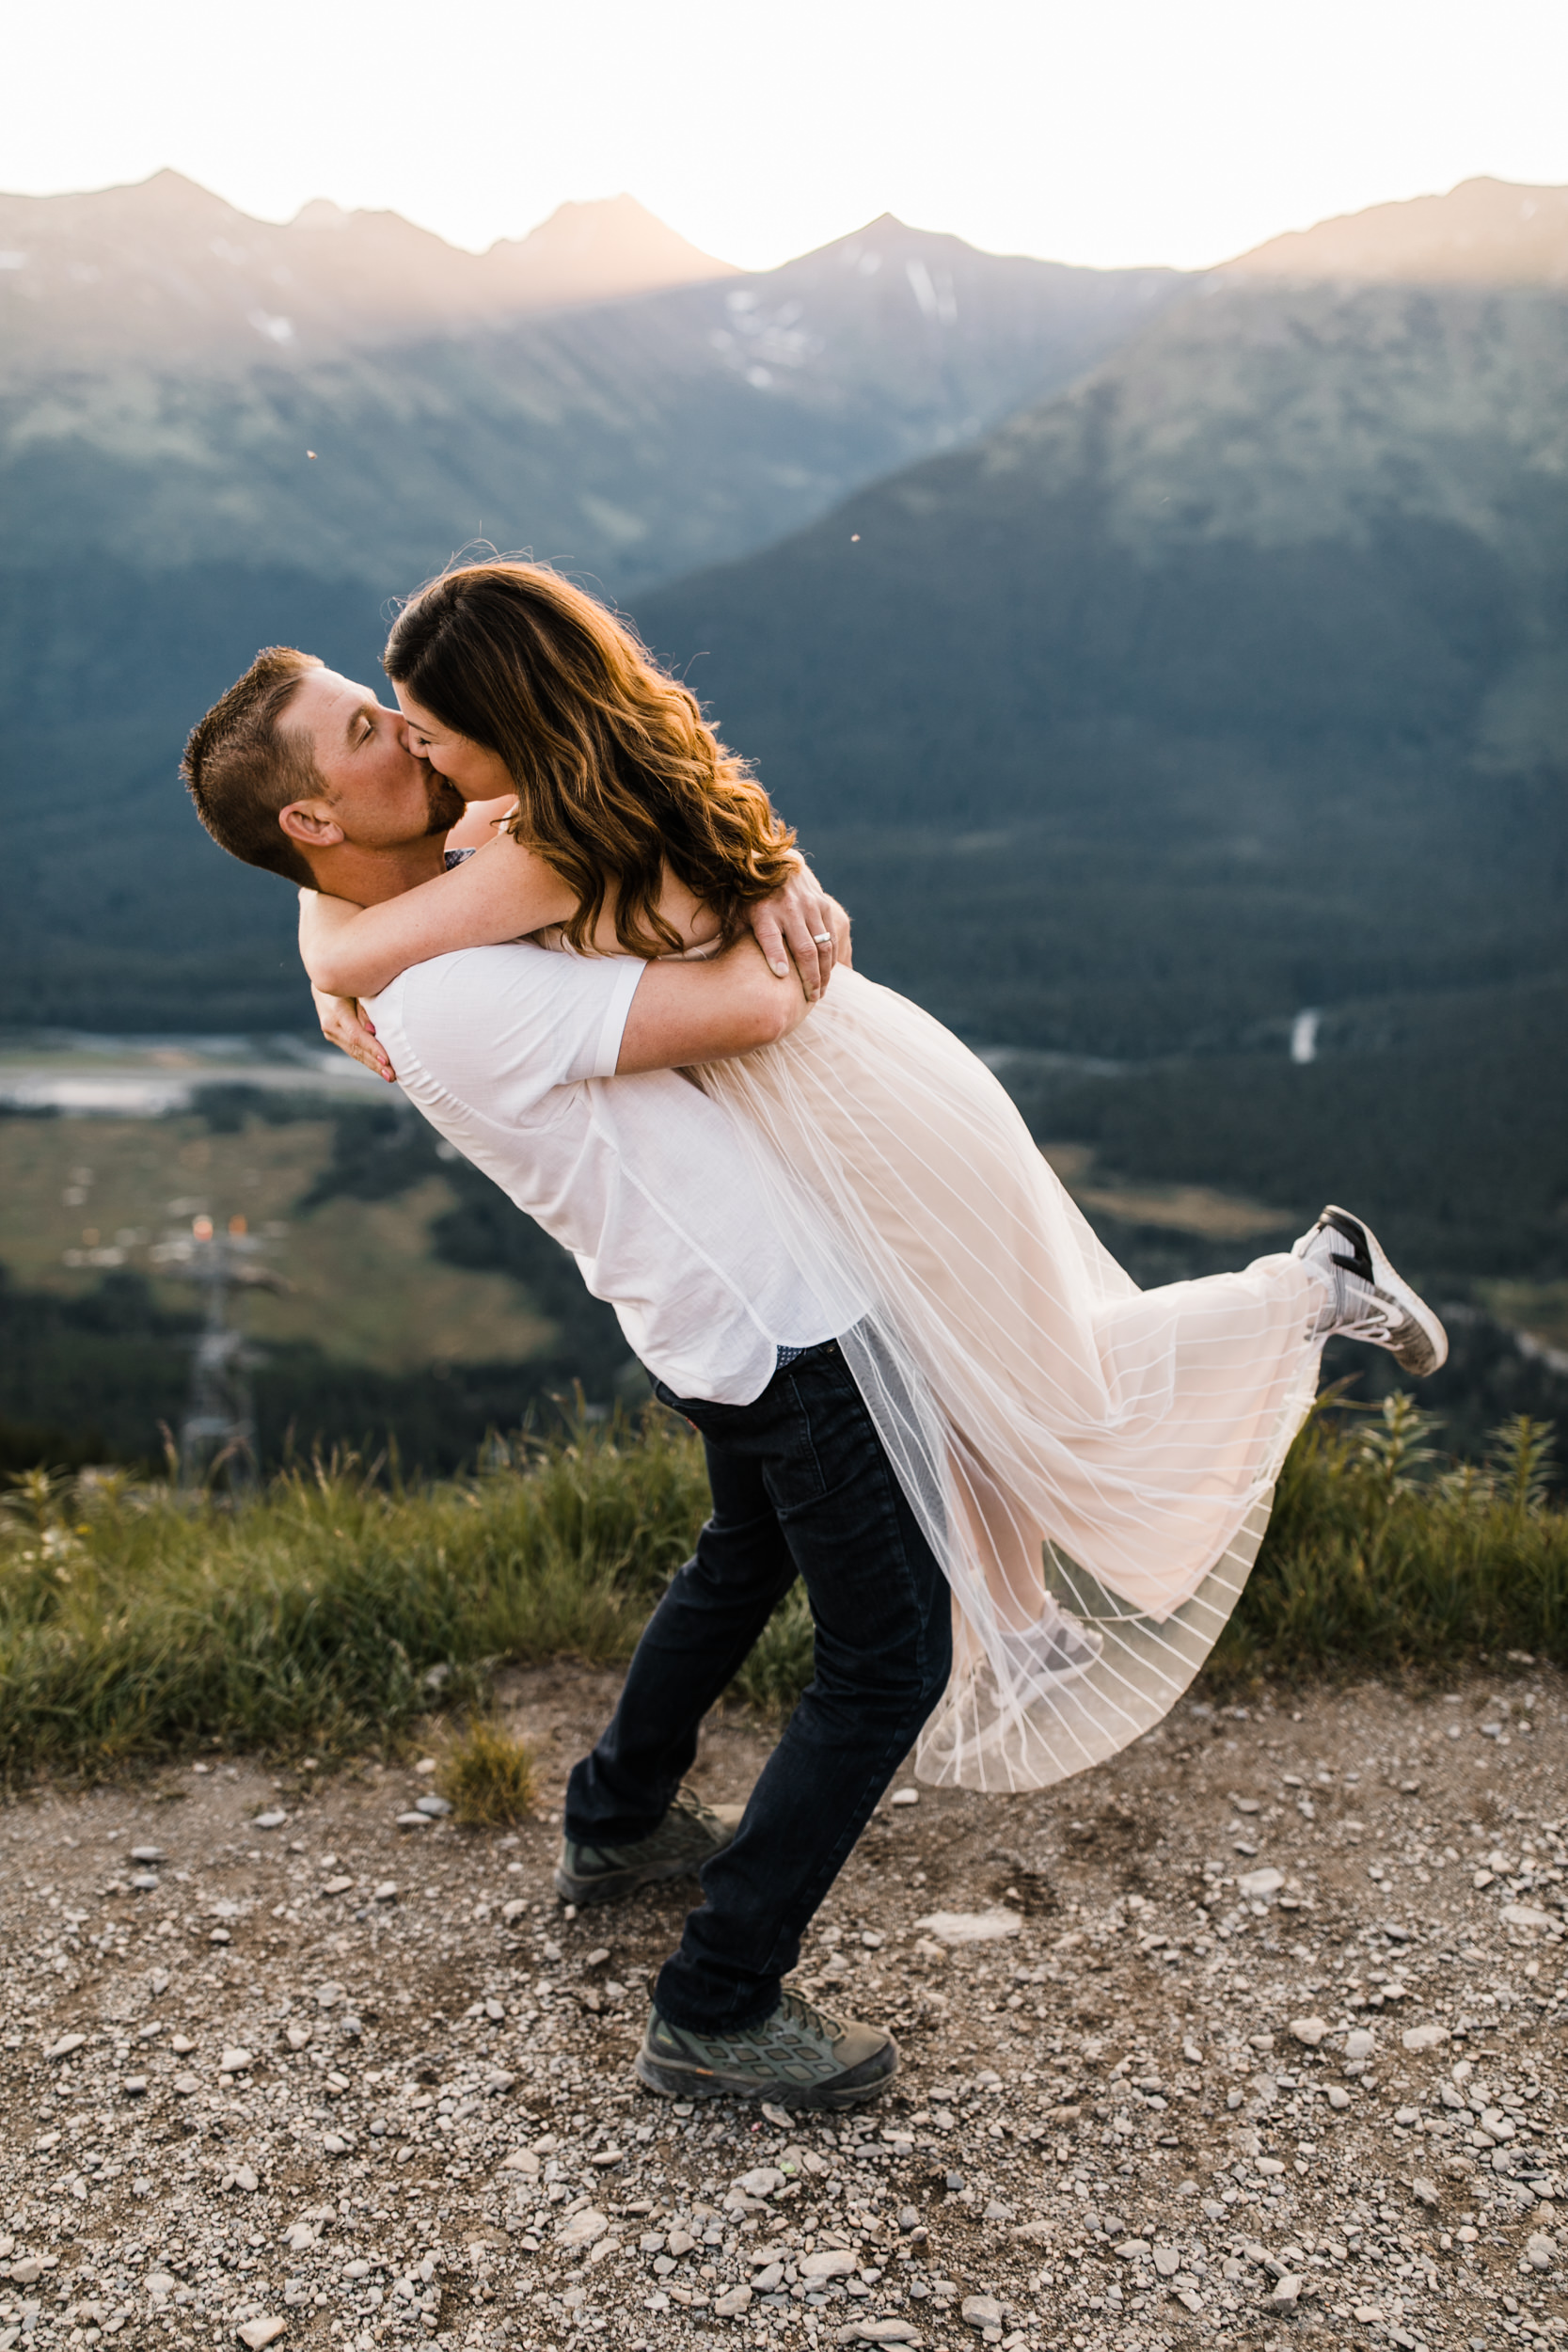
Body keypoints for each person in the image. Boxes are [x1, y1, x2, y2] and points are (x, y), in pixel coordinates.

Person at [277, 560, 1448, 1791]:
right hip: (852, 1091)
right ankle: (1031, 1629)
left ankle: (1313, 1287)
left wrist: (323, 973)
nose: (416, 752)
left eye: (433, 730)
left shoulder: (552, 847)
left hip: (861, 1123)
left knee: (1056, 1383)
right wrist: (324, 946)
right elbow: (356, 896)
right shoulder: (578, 792)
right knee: (950, 1376)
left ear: (510, 729)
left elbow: (366, 933)